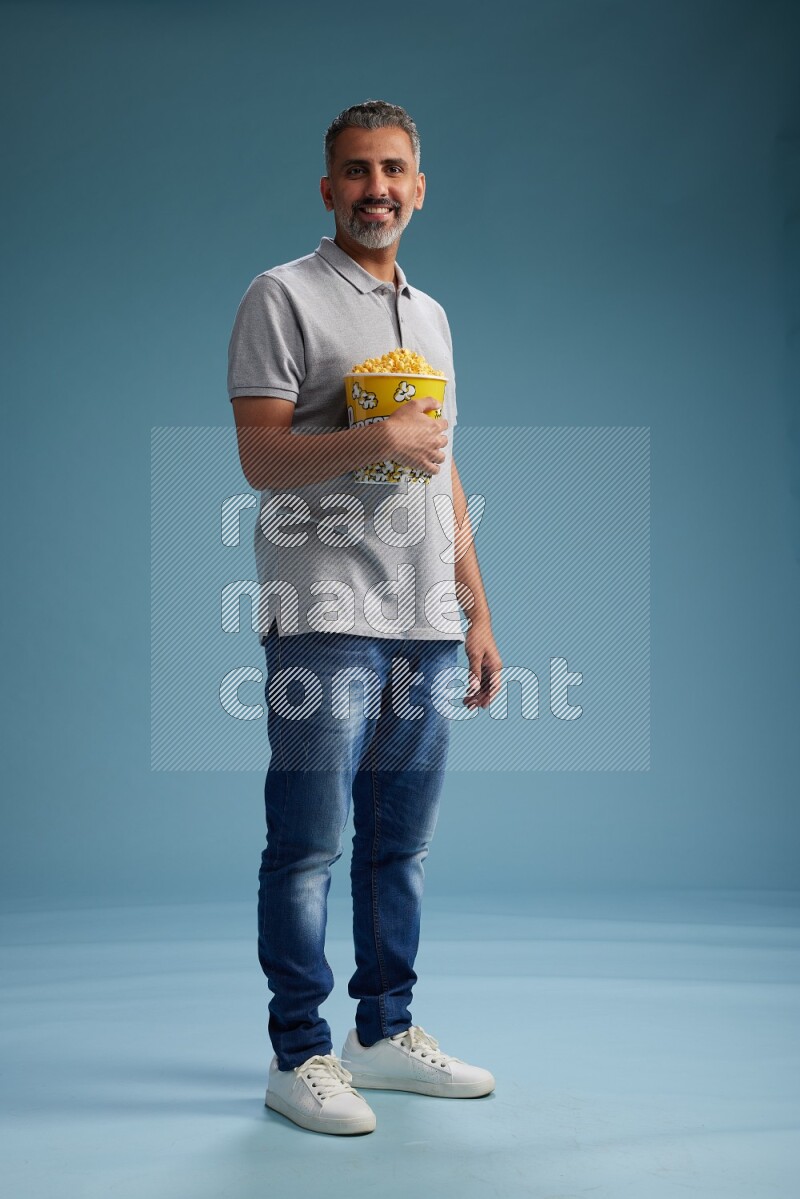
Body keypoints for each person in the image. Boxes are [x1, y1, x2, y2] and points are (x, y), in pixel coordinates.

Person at [227, 100, 503, 1136]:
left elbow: (440, 466)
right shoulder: (281, 295)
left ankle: (381, 1033)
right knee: (307, 844)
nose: (375, 187)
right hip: (326, 609)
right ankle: (297, 1052)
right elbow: (260, 458)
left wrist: (475, 607)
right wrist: (373, 431)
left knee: (401, 845)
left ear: (418, 186)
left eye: (392, 170)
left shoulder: (428, 315)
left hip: (425, 616)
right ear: (327, 187)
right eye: (355, 170)